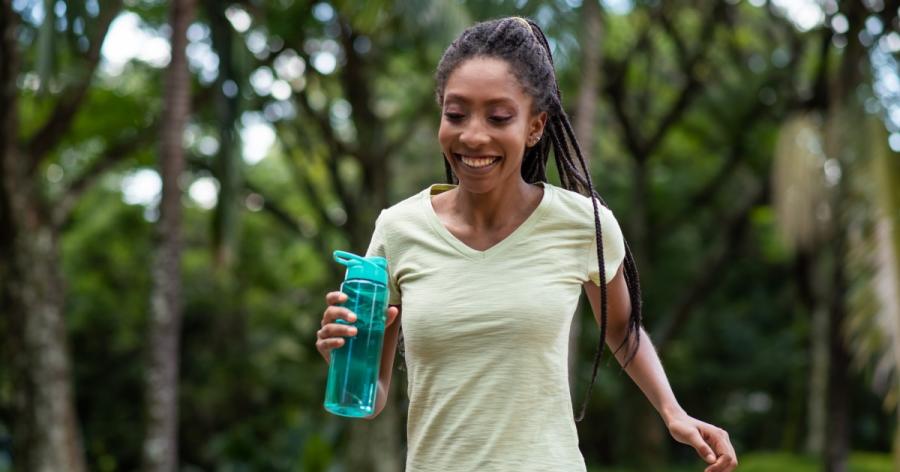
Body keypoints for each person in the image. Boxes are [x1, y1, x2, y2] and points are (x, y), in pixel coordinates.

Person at [316, 16, 738, 472]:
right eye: (455, 114)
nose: (473, 135)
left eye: (498, 117)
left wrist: (672, 412)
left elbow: (621, 330)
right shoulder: (398, 230)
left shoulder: (582, 224)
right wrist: (344, 361)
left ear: (535, 126)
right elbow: (373, 397)